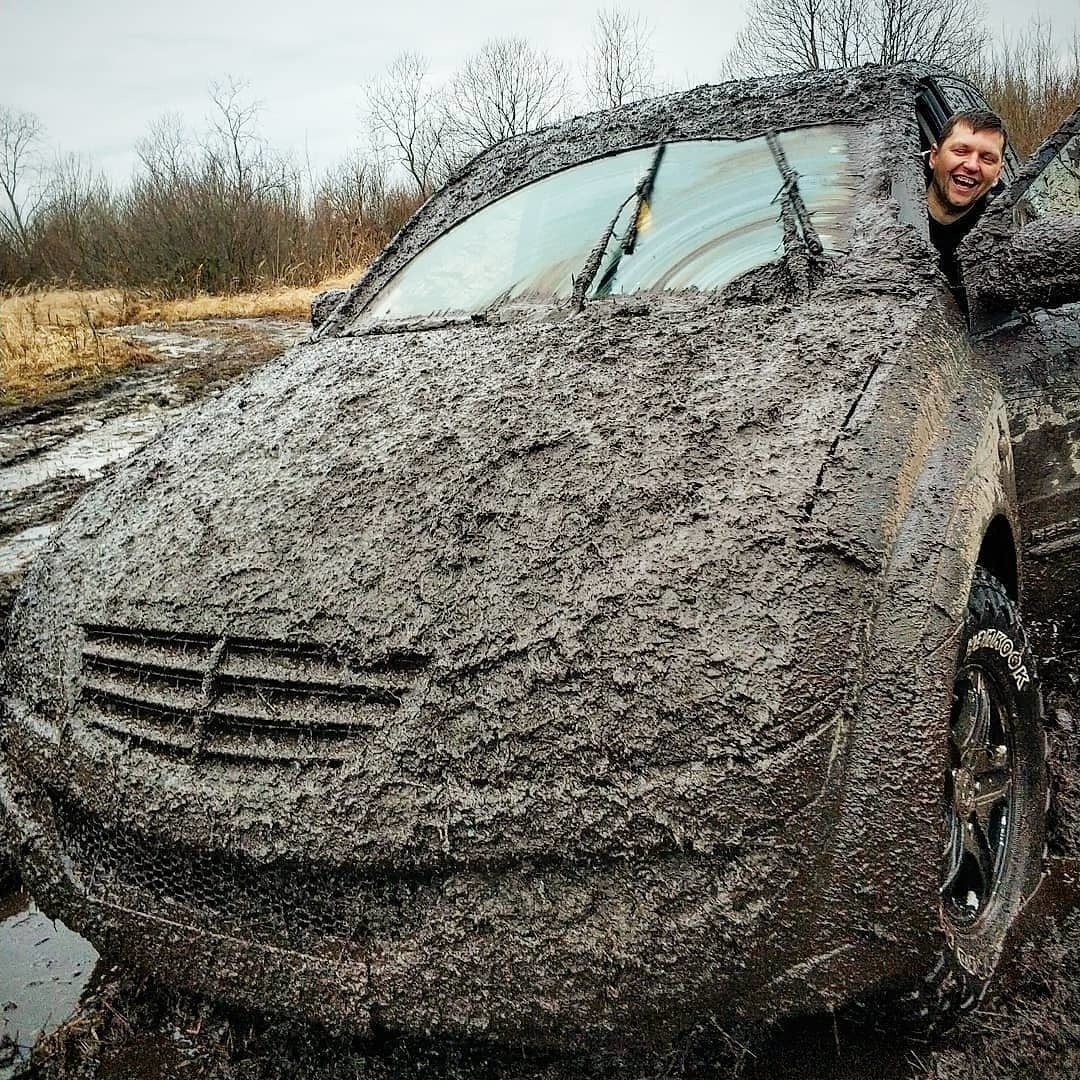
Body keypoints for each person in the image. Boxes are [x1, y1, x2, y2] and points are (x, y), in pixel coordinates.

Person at [926, 109, 1007, 291]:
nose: (971, 165)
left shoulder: (1001, 235)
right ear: (934, 156)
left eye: (987, 158)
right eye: (961, 151)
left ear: (997, 174)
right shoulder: (882, 199)